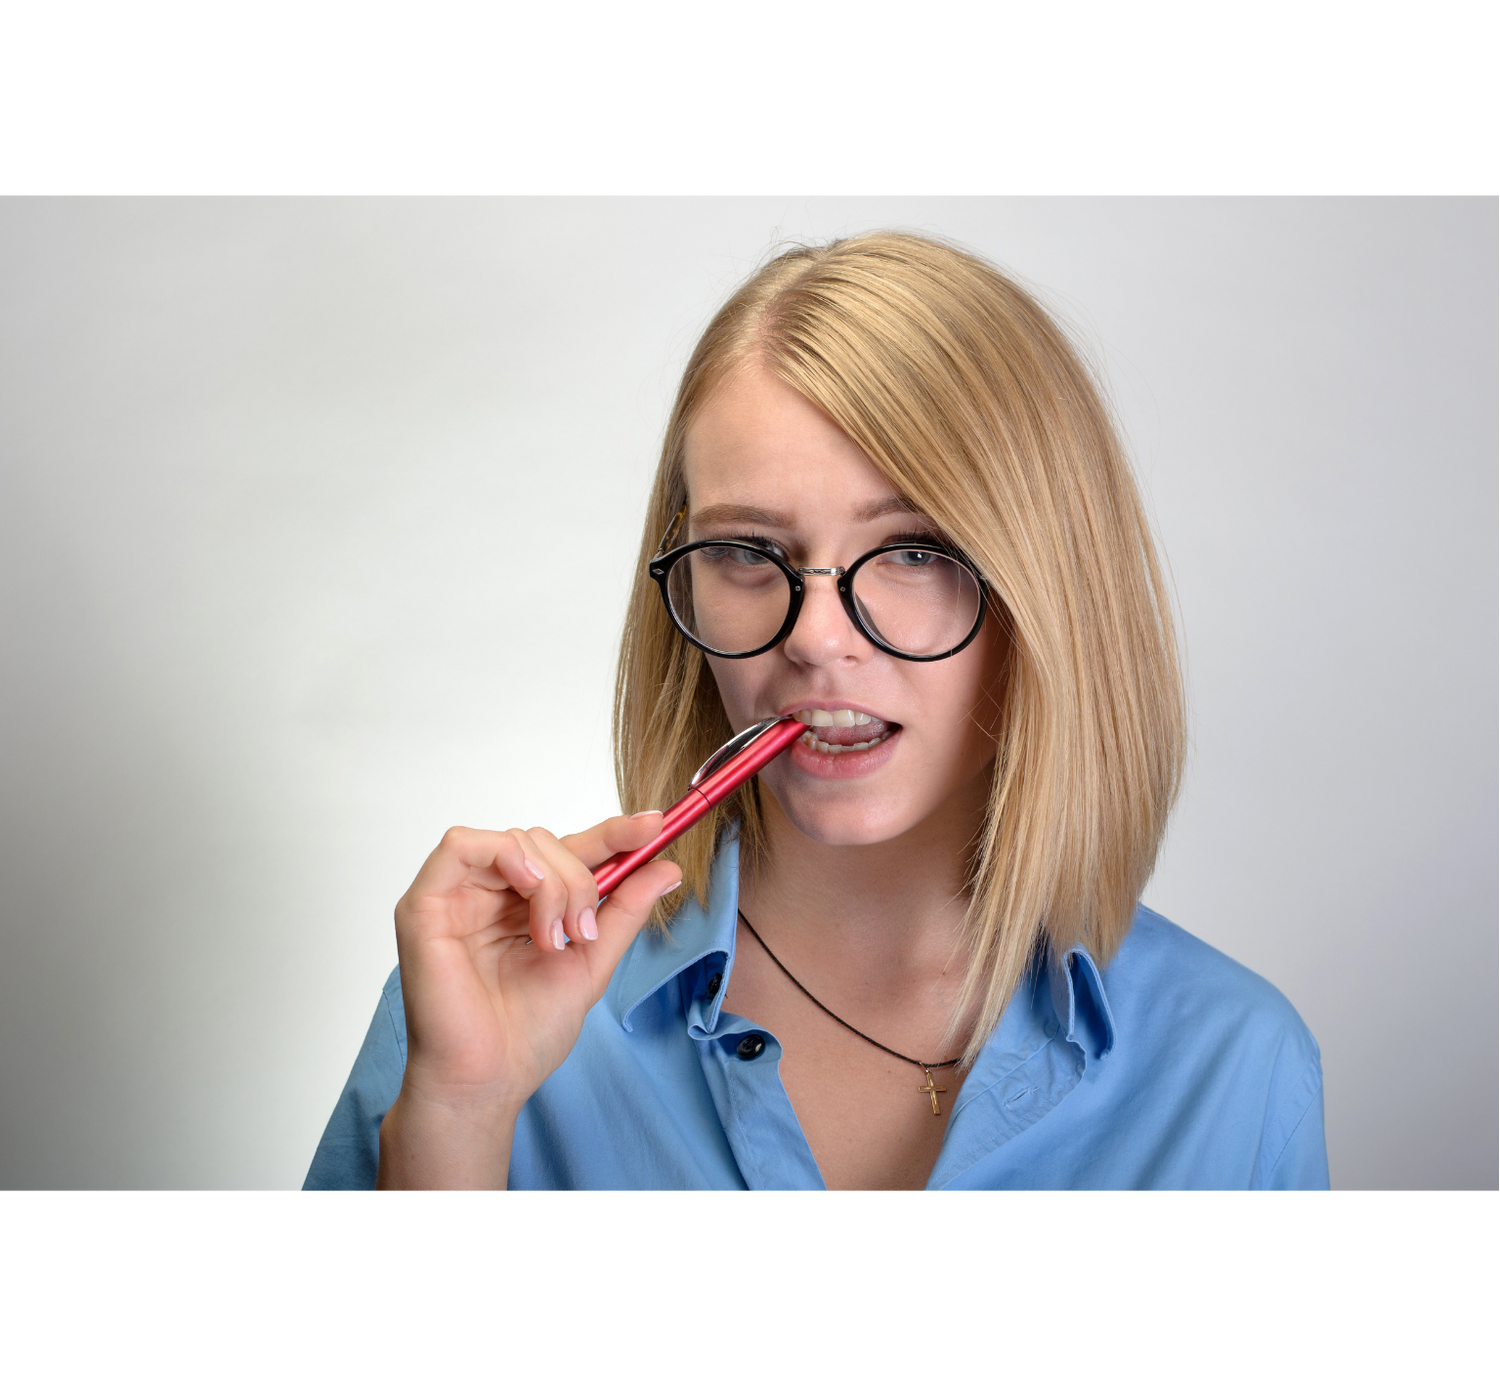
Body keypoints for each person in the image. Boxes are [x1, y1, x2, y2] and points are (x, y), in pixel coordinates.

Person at [304, 233, 1328, 1193]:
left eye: (916, 550)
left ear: (1052, 592)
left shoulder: (1236, 1069)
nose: (817, 638)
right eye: (748, 552)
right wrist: (459, 1116)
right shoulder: (471, 1019)